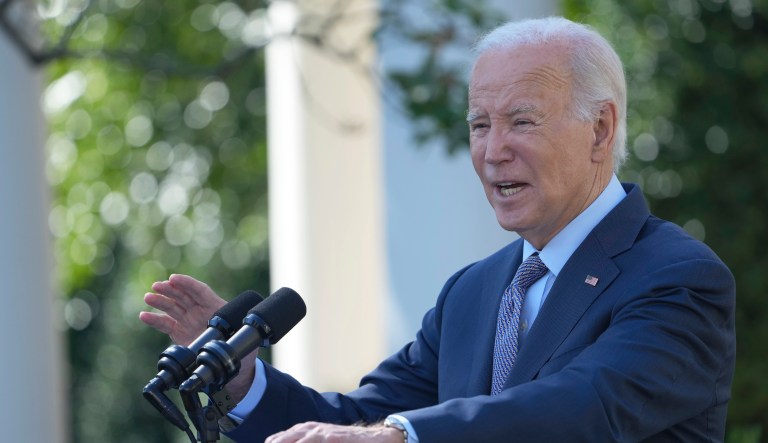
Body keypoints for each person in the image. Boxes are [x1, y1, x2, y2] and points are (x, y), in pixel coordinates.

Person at [140, 17, 736, 442]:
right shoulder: (471, 293)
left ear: (601, 130)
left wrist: (403, 435)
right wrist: (242, 379)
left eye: (521, 121)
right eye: (480, 124)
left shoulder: (680, 278)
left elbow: (587, 406)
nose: (493, 151)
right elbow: (355, 422)